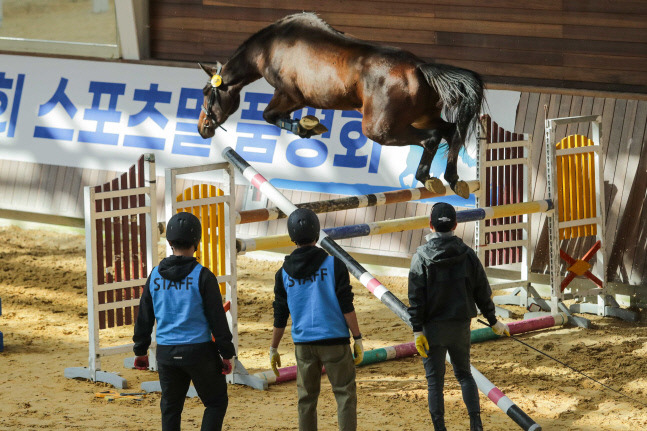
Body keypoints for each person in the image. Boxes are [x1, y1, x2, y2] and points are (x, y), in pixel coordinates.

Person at [407, 202, 510, 431]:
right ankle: (475, 423)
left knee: (435, 382)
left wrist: (417, 331)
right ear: (455, 224)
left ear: (430, 226)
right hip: (460, 325)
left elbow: (416, 298)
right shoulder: (468, 255)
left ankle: (440, 428)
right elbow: (482, 290)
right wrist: (494, 321)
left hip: (432, 328)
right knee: (464, 374)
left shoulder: (421, 257)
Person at [133, 212, 236, 431]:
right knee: (215, 403)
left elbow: (144, 317)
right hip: (199, 352)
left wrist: (140, 350)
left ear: (169, 242)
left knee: (171, 408)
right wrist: (226, 354)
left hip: (167, 354)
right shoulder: (204, 276)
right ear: (197, 242)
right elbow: (218, 320)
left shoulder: (154, 276)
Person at [270, 208, 364, 431]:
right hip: (335, 342)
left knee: (306, 400)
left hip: (304, 346)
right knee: (345, 396)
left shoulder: (282, 273)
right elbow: (346, 305)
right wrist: (357, 337)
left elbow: (280, 316)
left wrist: (273, 347)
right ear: (317, 233)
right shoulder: (334, 265)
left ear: (292, 237)